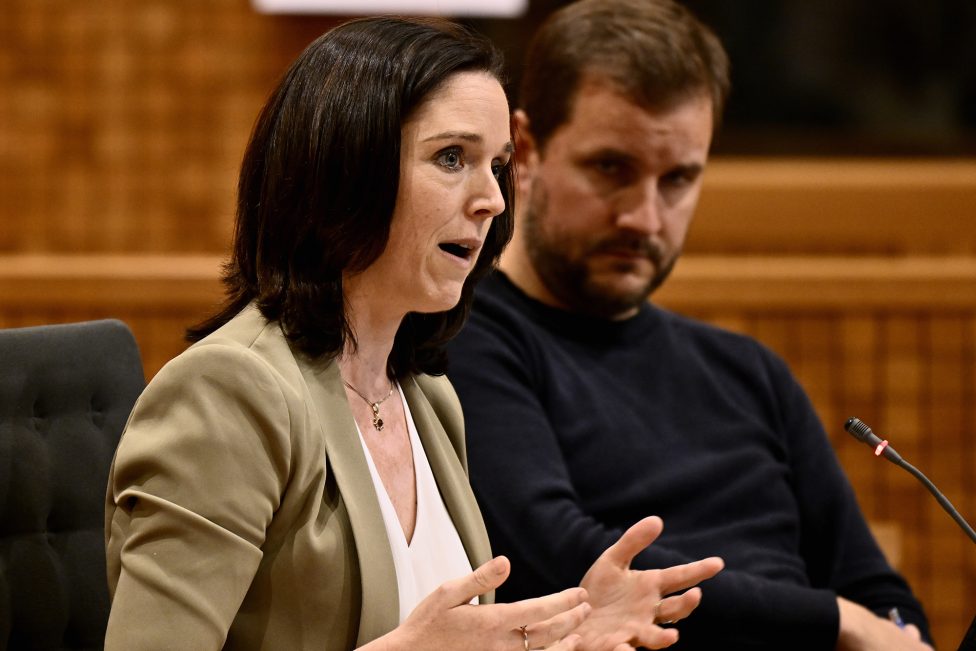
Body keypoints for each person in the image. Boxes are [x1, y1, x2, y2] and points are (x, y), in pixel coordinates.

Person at [103, 15, 723, 651]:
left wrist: (563, 633)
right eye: (452, 158)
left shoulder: (424, 395)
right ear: (344, 171)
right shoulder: (228, 393)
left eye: (498, 164)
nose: (493, 199)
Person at [446, 1, 934, 649]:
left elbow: (881, 596)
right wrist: (840, 622)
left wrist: (884, 627)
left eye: (677, 179)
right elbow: (568, 561)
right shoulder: (467, 337)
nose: (645, 218)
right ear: (527, 151)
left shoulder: (749, 369)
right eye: (611, 169)